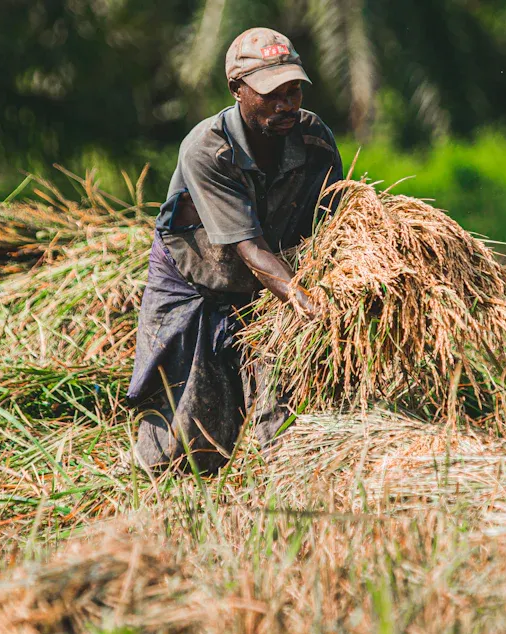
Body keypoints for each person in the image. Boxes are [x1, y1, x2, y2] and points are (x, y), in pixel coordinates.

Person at [125, 27, 344, 472]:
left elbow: (337, 221)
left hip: (272, 281)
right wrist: (306, 301)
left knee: (285, 403)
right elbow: (248, 247)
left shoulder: (314, 139)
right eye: (271, 94)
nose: (286, 104)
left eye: (293, 91)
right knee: (186, 439)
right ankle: (164, 493)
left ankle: (289, 476)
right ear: (237, 90)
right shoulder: (208, 150)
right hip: (196, 280)